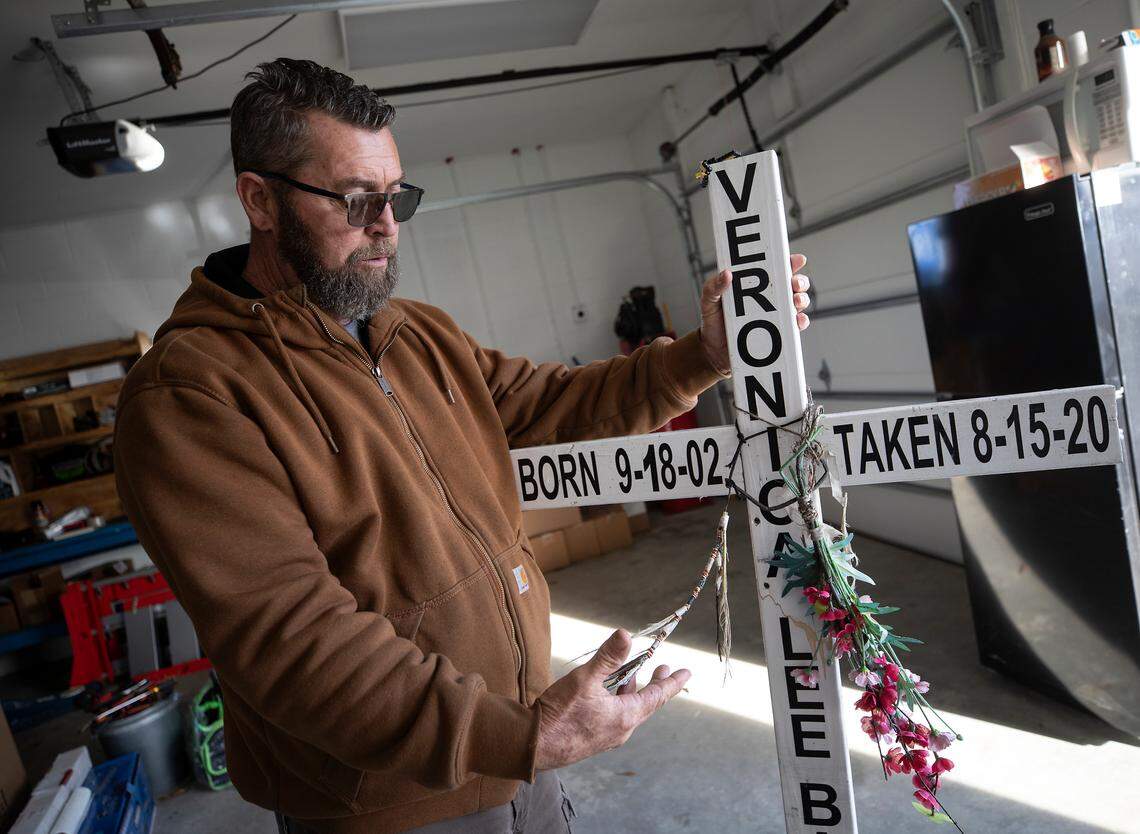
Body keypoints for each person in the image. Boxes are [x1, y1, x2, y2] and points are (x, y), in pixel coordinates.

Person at [113, 58, 812, 834]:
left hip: (516, 756)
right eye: (356, 199)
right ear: (260, 200)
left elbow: (556, 401)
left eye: (397, 195)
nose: (387, 224)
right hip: (391, 805)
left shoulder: (414, 333)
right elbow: (293, 643)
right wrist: (521, 735)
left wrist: (704, 354)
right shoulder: (190, 395)